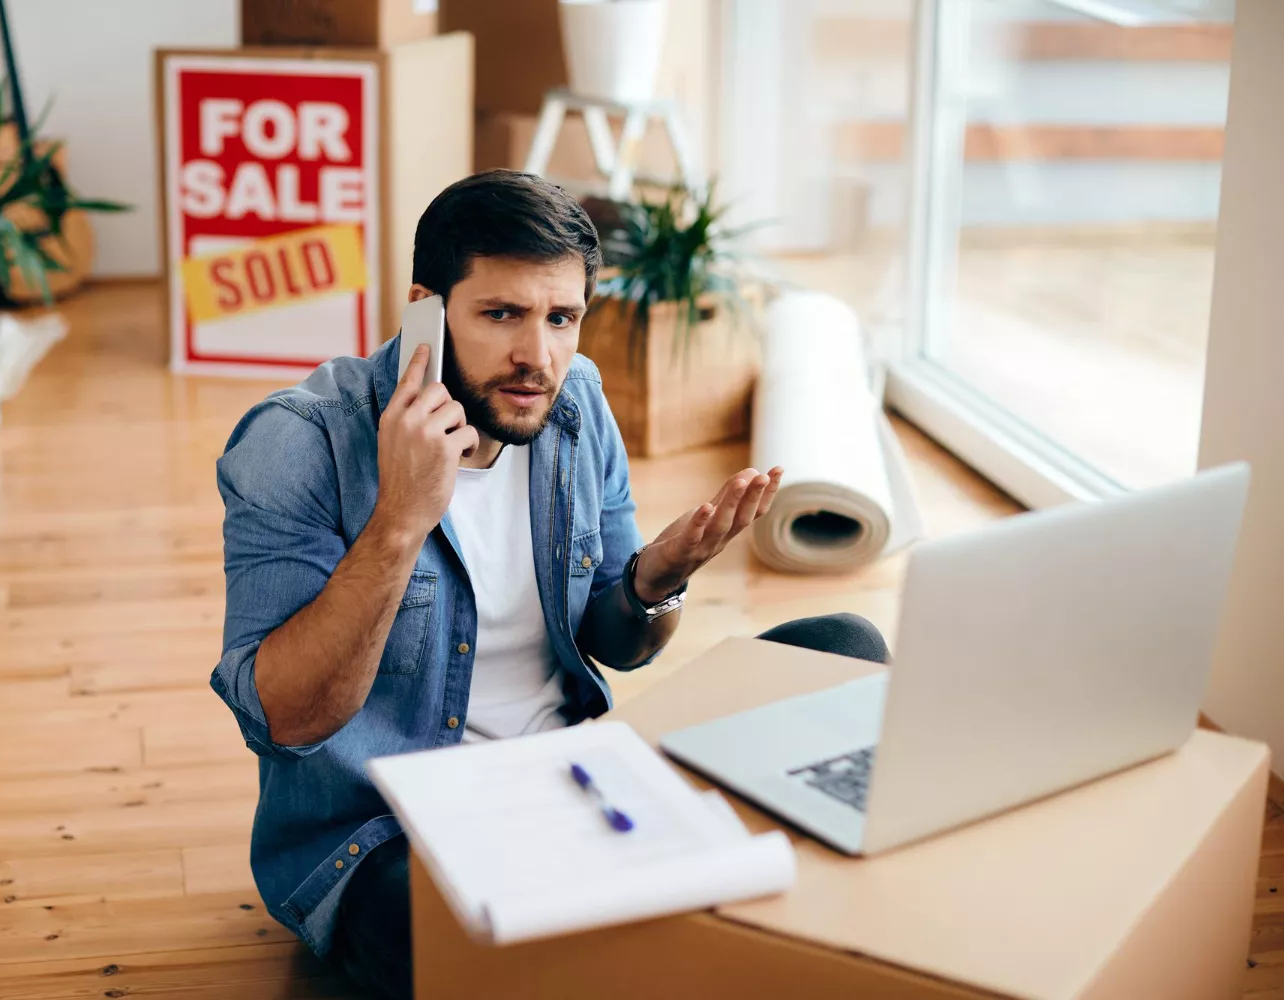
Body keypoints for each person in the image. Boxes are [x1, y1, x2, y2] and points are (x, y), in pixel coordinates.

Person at [212, 169, 889, 999]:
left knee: (845, 650)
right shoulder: (298, 443)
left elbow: (615, 646)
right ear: (427, 307)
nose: (538, 356)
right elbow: (289, 717)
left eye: (561, 318)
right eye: (502, 315)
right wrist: (399, 521)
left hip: (578, 784)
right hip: (393, 834)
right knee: (461, 940)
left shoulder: (575, 407)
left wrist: (656, 579)